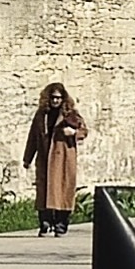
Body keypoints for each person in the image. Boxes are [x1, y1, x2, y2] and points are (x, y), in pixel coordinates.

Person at [22, 84, 89, 239]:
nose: (55, 101)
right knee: (44, 192)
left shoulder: (70, 114)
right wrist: (27, 158)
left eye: (58, 98)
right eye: (53, 97)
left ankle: (60, 225)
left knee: (63, 191)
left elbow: (84, 131)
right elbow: (33, 137)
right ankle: (45, 224)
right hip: (45, 158)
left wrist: (73, 133)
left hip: (63, 159)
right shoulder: (41, 116)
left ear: (63, 98)